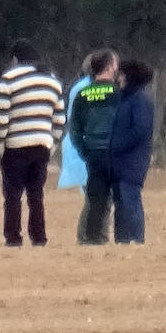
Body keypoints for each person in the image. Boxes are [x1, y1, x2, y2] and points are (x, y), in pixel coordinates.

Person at [0, 39, 65, 247]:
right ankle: (39, 237)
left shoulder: (9, 79)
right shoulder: (52, 80)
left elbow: (0, 118)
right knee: (36, 194)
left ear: (15, 58)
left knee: (13, 195)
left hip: (15, 146)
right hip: (42, 145)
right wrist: (52, 144)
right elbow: (59, 119)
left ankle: (13, 238)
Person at [68, 49, 120, 245]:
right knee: (114, 198)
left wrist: (85, 150)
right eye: (115, 65)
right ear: (108, 67)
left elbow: (74, 129)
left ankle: (90, 238)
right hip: (114, 152)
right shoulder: (118, 94)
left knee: (95, 197)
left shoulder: (82, 95)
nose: (117, 69)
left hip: (93, 153)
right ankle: (102, 238)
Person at [58, 53, 108, 242]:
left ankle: (91, 235)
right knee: (96, 196)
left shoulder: (80, 87)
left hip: (84, 146)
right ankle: (91, 235)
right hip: (88, 147)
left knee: (95, 195)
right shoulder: (87, 88)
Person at [111, 59, 155, 244]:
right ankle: (122, 242)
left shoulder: (140, 99)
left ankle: (137, 241)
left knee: (131, 201)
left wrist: (117, 144)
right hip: (119, 160)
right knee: (120, 203)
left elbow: (140, 129)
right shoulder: (123, 98)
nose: (118, 77)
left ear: (128, 76)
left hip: (134, 160)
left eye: (121, 74)